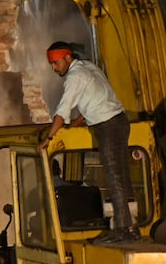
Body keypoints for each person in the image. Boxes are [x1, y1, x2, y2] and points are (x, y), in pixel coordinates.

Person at [37, 41, 138, 244]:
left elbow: (62, 111)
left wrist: (48, 139)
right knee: (122, 175)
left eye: (55, 63)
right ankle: (133, 228)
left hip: (107, 126)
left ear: (67, 58)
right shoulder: (88, 66)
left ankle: (122, 229)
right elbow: (95, 98)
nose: (54, 68)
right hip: (120, 120)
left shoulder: (74, 78)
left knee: (113, 177)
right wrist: (76, 122)